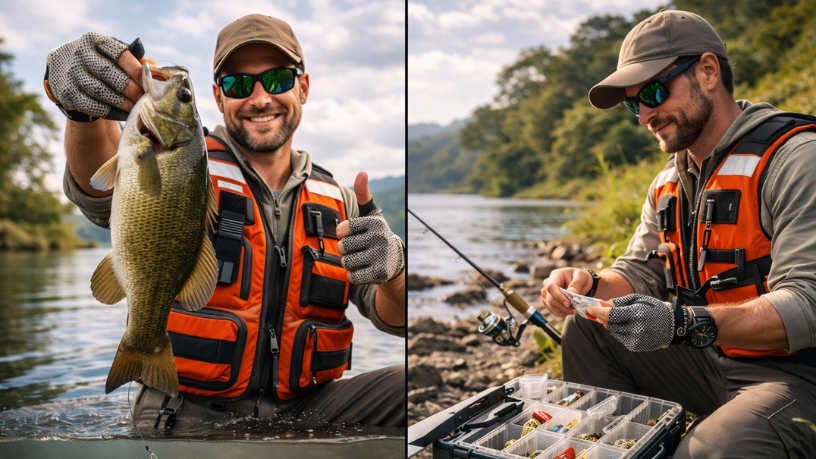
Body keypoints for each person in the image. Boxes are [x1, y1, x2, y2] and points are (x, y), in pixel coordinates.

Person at [45, 14, 405, 428]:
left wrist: (394, 270)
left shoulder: (340, 199)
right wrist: (81, 112)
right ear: (218, 96)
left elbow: (394, 319)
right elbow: (98, 191)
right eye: (237, 84)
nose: (258, 98)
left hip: (308, 408)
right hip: (189, 408)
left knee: (405, 384)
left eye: (277, 80)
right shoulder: (187, 166)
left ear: (302, 88)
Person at [540, 9, 816, 458]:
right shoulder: (669, 181)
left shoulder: (797, 159)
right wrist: (586, 284)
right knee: (587, 330)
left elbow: (809, 304)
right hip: (712, 361)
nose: (644, 114)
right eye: (634, 103)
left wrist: (684, 324)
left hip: (795, 376)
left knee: (710, 450)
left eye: (653, 91)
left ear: (708, 72)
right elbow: (639, 271)